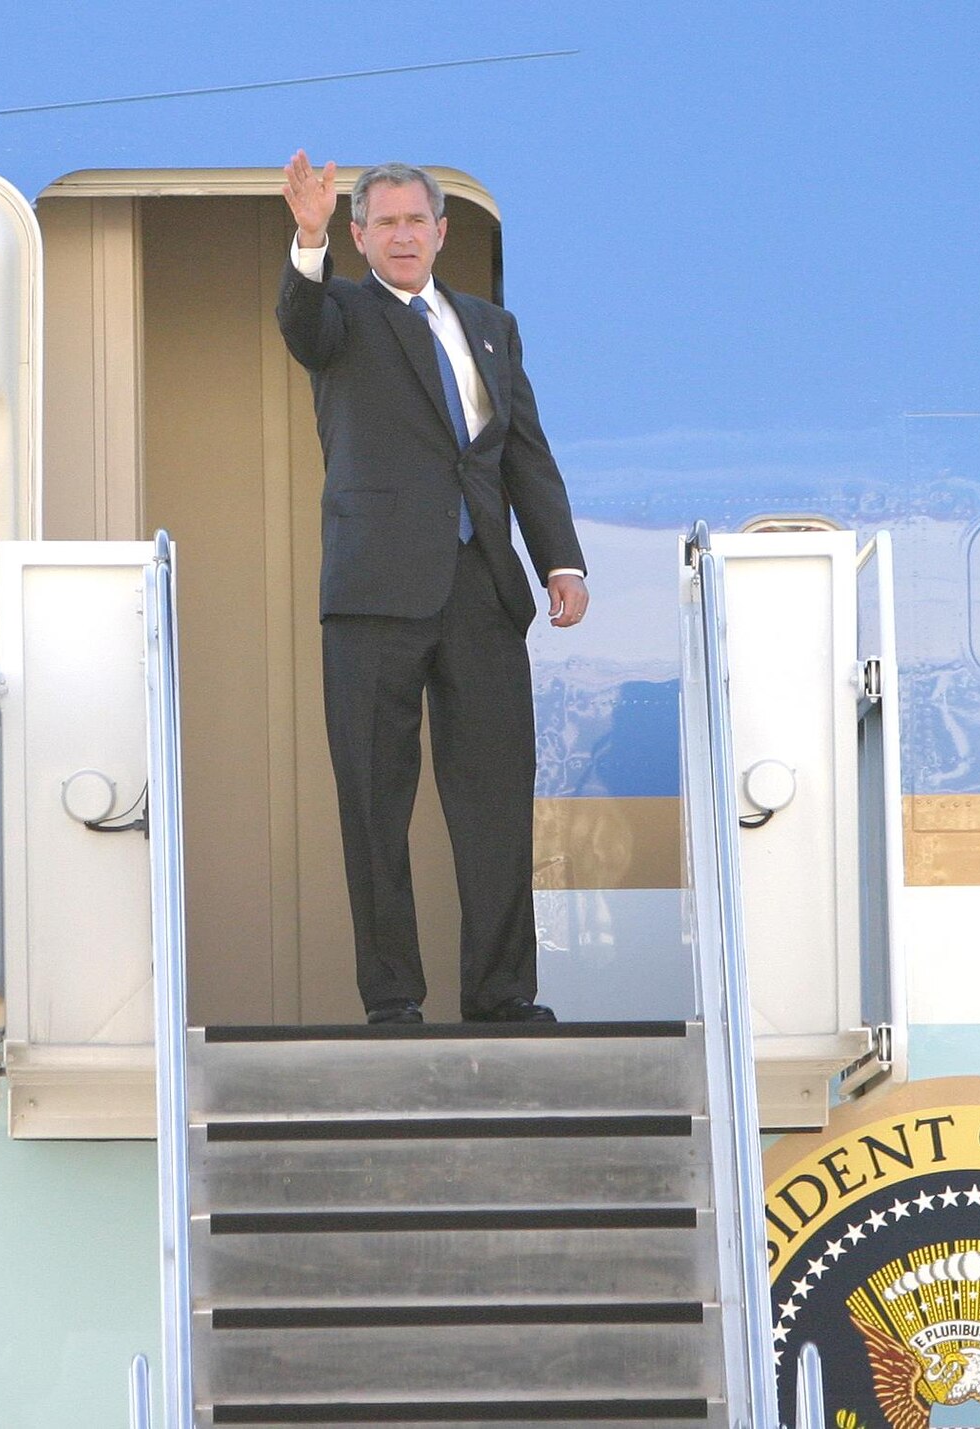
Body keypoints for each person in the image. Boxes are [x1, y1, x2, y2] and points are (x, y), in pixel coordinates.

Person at [277, 152, 589, 1025]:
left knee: (494, 801)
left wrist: (560, 559)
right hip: (375, 591)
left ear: (443, 231)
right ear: (359, 235)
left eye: (418, 222)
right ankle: (393, 1000)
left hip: (481, 588)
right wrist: (305, 240)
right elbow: (300, 321)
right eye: (385, 223)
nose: (403, 236)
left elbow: (523, 450)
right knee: (375, 804)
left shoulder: (491, 324)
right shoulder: (337, 310)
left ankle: (500, 995)